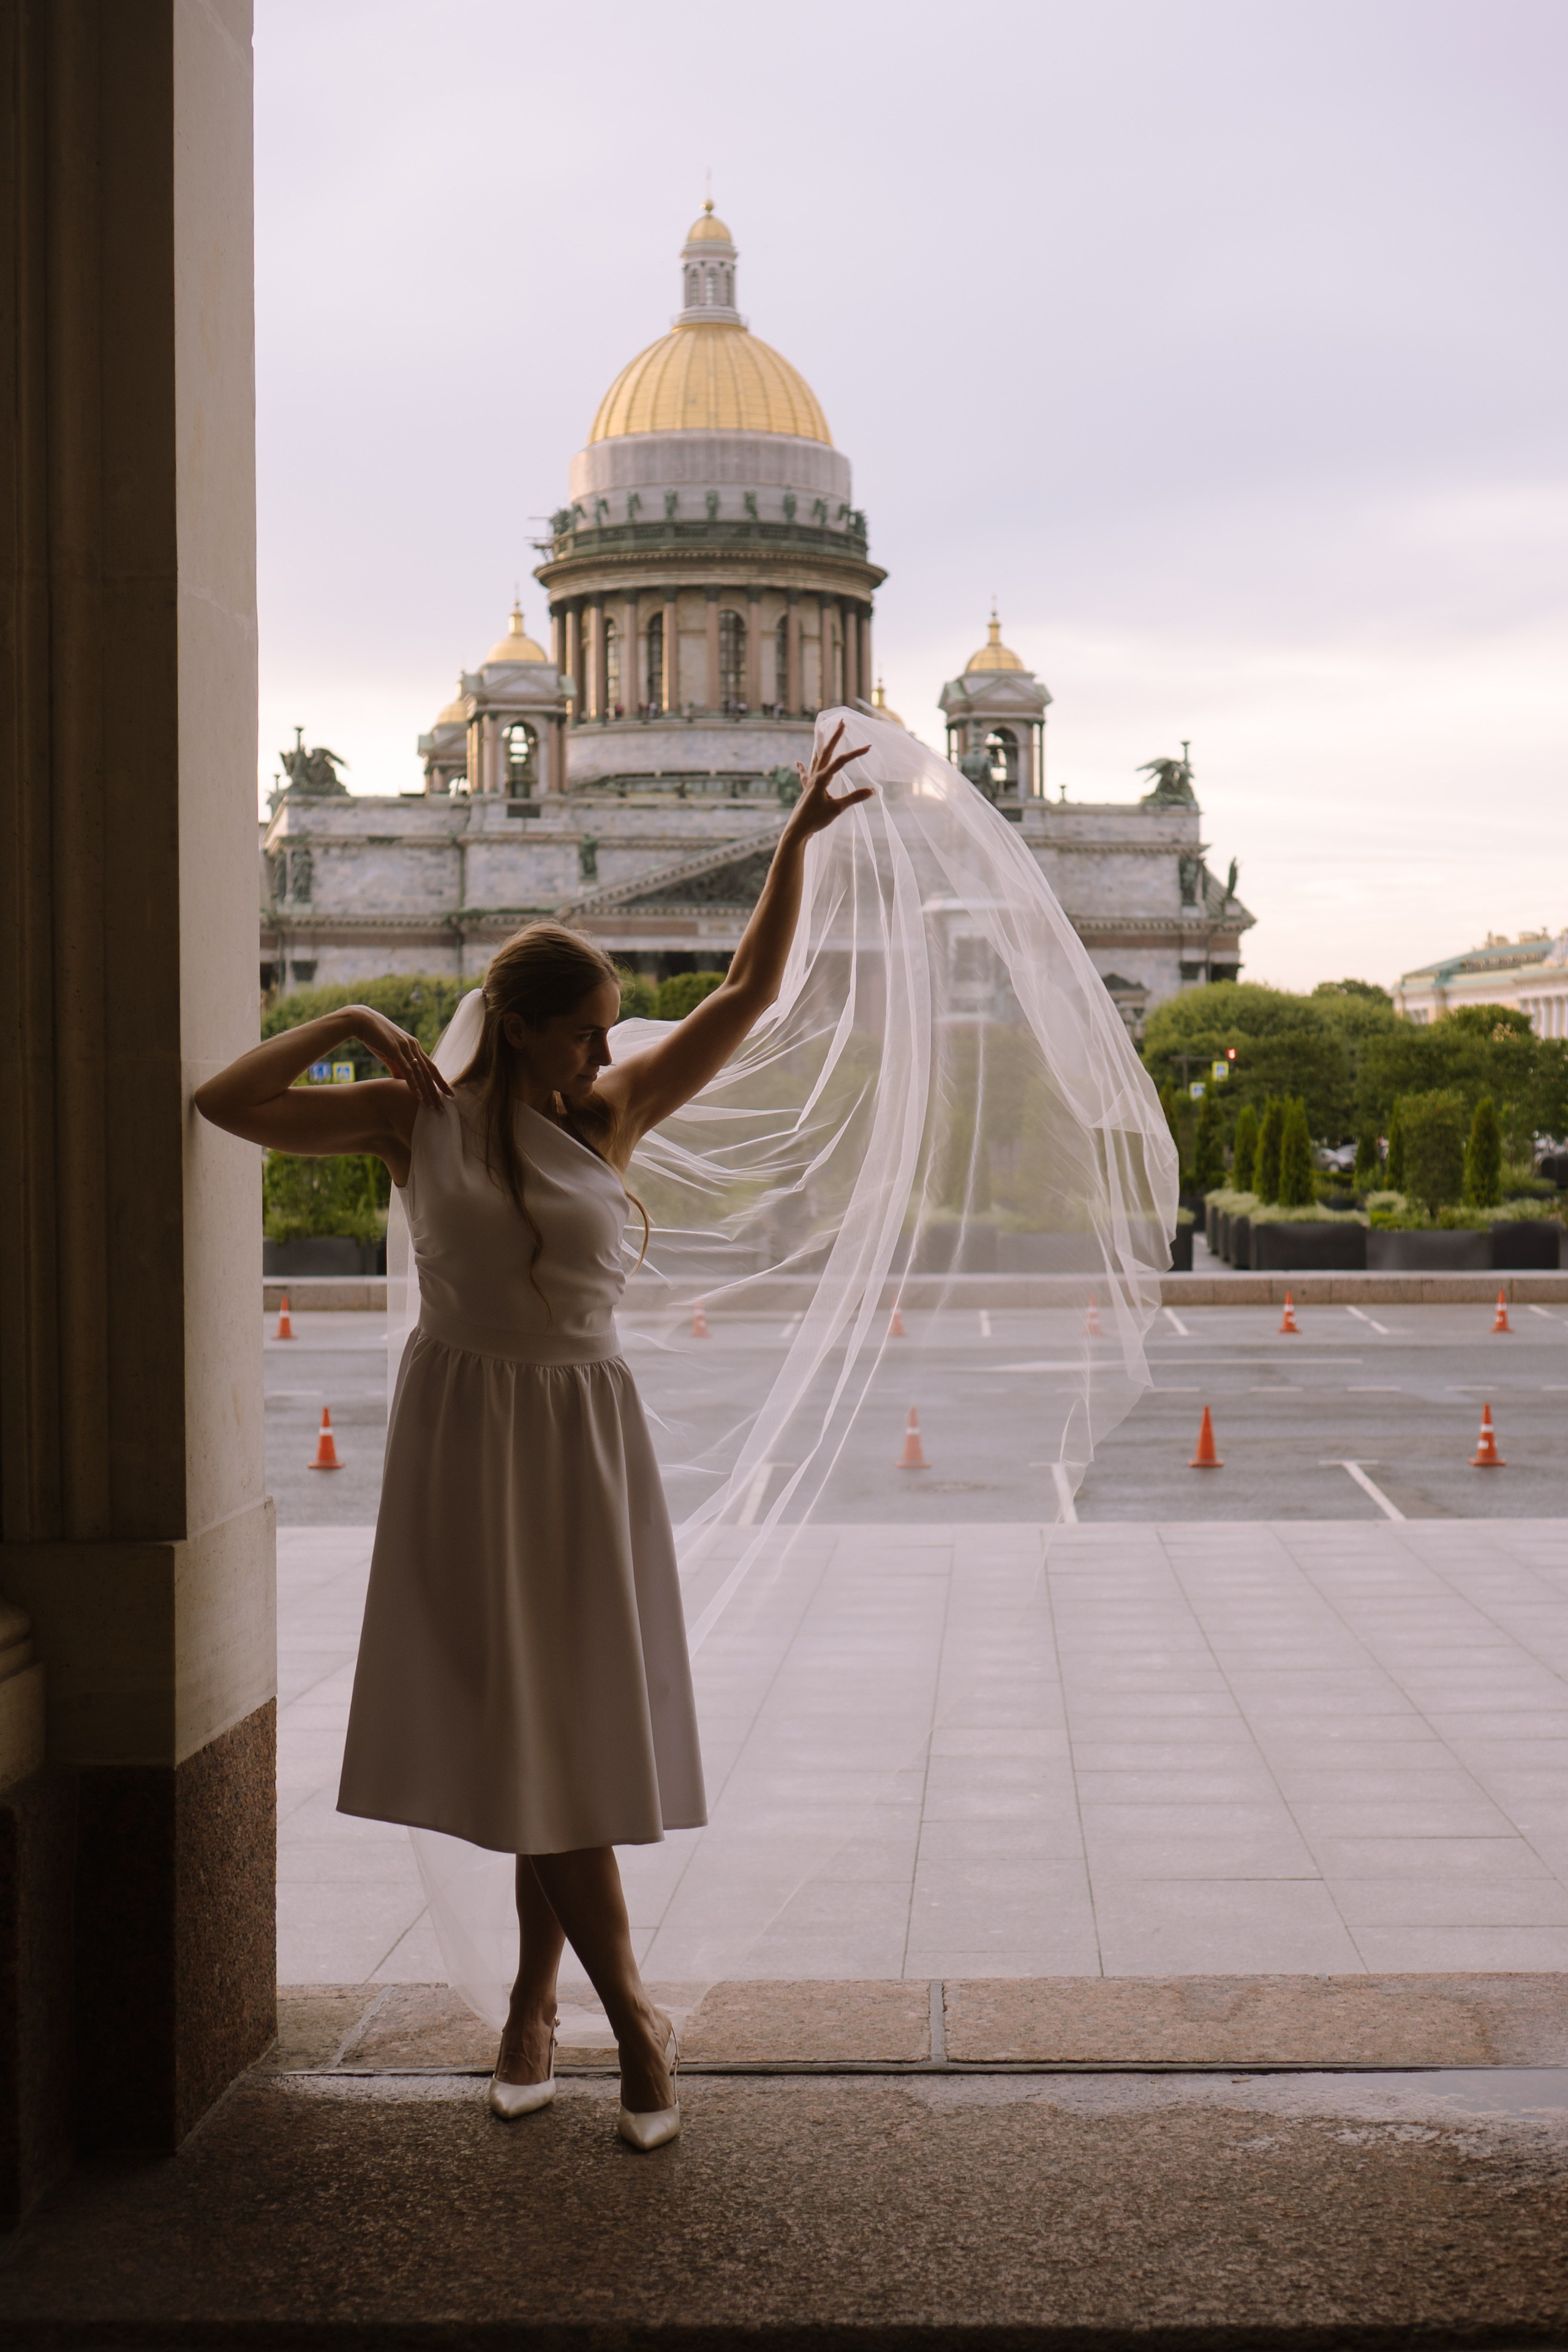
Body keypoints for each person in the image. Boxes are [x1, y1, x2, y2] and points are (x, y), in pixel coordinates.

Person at [195, 724, 870, 2151]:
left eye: (609, 1027)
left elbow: (745, 994)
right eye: (582, 1027)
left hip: (576, 1439)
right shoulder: (410, 1117)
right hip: (464, 1439)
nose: (603, 1049)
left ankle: (544, 2007)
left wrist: (792, 845)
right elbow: (224, 1104)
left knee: (555, 1738)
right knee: (525, 1740)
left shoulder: (612, 1113)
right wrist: (346, 1027)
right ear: (516, 1025)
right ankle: (624, 2021)